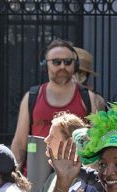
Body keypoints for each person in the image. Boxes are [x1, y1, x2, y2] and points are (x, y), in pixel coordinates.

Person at [10, 39, 107, 167]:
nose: (62, 66)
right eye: (56, 62)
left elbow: (97, 144)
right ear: (46, 65)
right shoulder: (31, 97)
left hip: (76, 178)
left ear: (75, 65)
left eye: (67, 62)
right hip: (36, 178)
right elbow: (19, 144)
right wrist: (14, 177)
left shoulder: (89, 98)